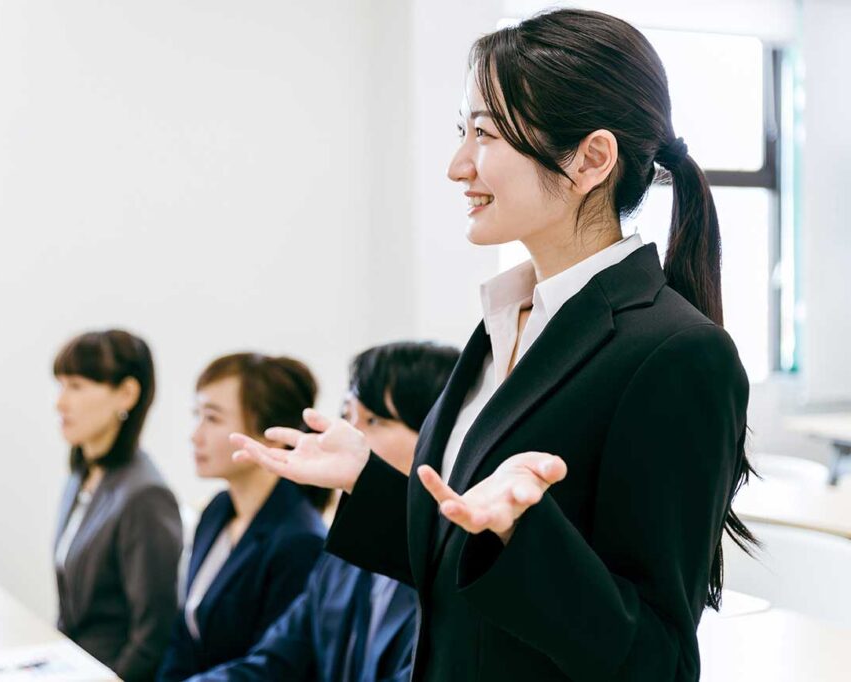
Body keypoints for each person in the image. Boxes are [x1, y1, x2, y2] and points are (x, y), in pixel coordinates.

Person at [231, 9, 755, 681]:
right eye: (462, 131)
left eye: (484, 133)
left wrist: (524, 535)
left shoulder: (677, 354)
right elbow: (458, 566)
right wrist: (368, 478)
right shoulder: (507, 319)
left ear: (591, 158)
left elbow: (658, 661)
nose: (457, 166)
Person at [188, 342, 459, 682]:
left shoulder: (453, 570)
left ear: (439, 433)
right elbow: (275, 662)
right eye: (347, 417)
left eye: (373, 420)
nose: (348, 435)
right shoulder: (343, 556)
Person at [156, 353, 328, 681]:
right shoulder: (218, 509)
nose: (195, 435)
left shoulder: (299, 540)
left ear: (273, 435)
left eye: (213, 419)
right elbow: (183, 634)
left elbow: (273, 669)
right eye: (197, 416)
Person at [53, 329, 184, 682]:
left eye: (76, 386)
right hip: (73, 666)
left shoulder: (145, 496)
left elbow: (152, 637)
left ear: (126, 394)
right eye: (61, 385)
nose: (60, 403)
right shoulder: (83, 474)